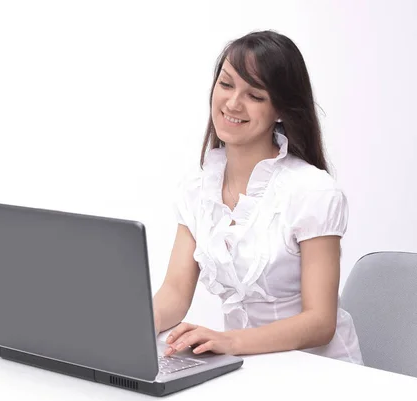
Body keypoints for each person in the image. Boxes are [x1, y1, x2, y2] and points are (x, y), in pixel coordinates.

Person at [152, 30, 363, 364]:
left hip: (321, 374)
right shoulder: (197, 187)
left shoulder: (312, 192)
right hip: (249, 370)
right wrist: (131, 326)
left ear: (280, 109)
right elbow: (175, 294)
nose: (233, 103)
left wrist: (228, 341)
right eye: (226, 84)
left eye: (255, 95)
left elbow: (320, 322)